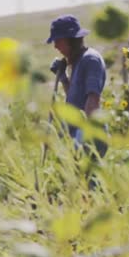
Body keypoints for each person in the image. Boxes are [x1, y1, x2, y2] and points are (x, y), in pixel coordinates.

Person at [46, 15, 107, 156]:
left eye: (58, 41)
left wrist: (84, 133)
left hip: (89, 136)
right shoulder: (78, 60)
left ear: (70, 40)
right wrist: (63, 79)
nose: (55, 46)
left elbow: (93, 98)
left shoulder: (90, 59)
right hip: (77, 134)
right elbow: (77, 99)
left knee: (88, 178)